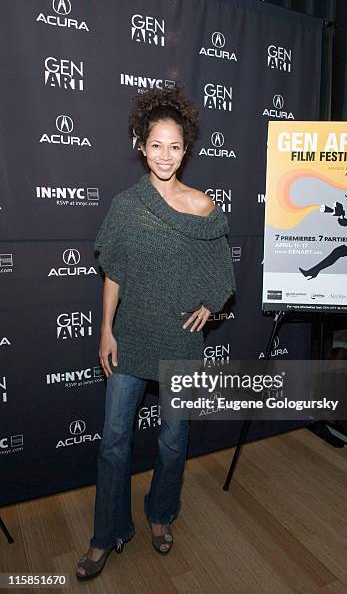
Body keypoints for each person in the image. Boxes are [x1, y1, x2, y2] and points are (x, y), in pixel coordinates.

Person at [76, 85, 236, 581]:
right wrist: (105, 328)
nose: (165, 155)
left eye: (175, 146)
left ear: (186, 149)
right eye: (156, 145)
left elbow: (222, 275)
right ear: (140, 145)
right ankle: (107, 533)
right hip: (131, 336)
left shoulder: (203, 207)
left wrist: (210, 304)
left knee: (173, 439)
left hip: (180, 341)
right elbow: (114, 273)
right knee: (114, 441)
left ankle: (162, 513)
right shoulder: (127, 206)